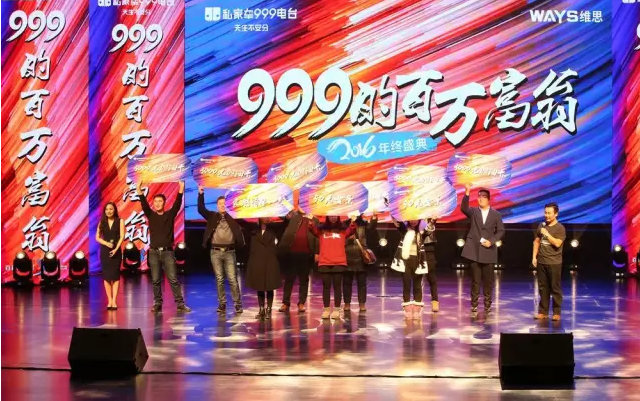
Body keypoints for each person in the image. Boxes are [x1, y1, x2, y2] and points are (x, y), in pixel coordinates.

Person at [137, 181, 191, 313]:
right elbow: (144, 204)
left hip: (168, 253)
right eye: (155, 201)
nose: (157, 204)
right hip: (154, 253)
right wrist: (138, 189)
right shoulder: (151, 215)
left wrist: (181, 188)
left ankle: (180, 304)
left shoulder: (169, 215)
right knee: (155, 280)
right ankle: (157, 303)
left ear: (164, 203)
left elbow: (177, 204)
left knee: (173, 279)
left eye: (160, 201)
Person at [198, 187, 245, 314]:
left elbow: (247, 219)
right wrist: (201, 194)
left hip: (230, 251)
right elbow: (201, 209)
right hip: (215, 252)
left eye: (224, 203)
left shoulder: (233, 216)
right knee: (219, 279)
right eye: (220, 204)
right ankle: (222, 304)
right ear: (217, 206)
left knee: (232, 279)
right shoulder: (212, 216)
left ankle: (237, 304)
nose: (222, 205)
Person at [460, 184, 505, 314]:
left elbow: (501, 231)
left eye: (483, 196)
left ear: (489, 199)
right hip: (474, 250)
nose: (481, 198)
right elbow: (463, 208)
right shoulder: (474, 212)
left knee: (488, 281)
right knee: (475, 280)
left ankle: (487, 305)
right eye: (479, 196)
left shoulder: (496, 214)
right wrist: (467, 192)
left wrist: (491, 241)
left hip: (488, 251)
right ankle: (474, 305)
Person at [308, 214, 357, 320]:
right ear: (327, 217)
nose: (333, 218)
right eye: (331, 216)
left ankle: (337, 309)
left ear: (338, 217)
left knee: (337, 287)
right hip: (325, 261)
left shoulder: (343, 230)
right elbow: (312, 230)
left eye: (335, 216)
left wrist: (353, 222)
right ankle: (326, 309)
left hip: (338, 262)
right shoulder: (321, 230)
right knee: (326, 287)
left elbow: (351, 230)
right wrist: (311, 221)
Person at [278, 207, 319, 313]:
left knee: (304, 280)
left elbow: (317, 236)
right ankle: (285, 303)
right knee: (289, 279)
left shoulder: (314, 219)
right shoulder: (293, 215)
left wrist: (317, 252)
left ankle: (301, 303)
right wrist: (287, 215)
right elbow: (282, 219)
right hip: (291, 253)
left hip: (306, 254)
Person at [391, 219, 432, 318]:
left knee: (417, 285)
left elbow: (429, 230)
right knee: (406, 284)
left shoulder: (421, 232)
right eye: (411, 220)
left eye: (415, 220)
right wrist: (394, 214)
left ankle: (417, 310)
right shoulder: (405, 230)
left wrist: (433, 220)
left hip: (418, 261)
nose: (413, 221)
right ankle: (407, 310)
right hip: (406, 261)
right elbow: (398, 223)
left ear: (419, 220)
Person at [532, 202, 566, 321]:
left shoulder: (560, 228)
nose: (546, 215)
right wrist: (534, 257)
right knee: (543, 288)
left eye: (549, 213)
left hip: (554, 262)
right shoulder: (541, 226)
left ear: (556, 214)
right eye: (545, 213)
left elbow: (557, 243)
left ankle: (556, 312)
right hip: (541, 261)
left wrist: (547, 234)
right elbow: (536, 241)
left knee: (555, 288)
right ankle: (543, 311)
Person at [245, 218, 282, 320]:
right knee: (259, 286)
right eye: (264, 217)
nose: (267, 218)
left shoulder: (273, 229)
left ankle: (269, 310)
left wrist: (288, 216)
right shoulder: (253, 229)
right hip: (257, 260)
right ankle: (261, 309)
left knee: (270, 286)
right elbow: (241, 222)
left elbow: (285, 224)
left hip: (270, 260)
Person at [343, 214, 377, 312]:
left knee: (362, 283)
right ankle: (347, 304)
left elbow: (371, 228)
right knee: (346, 283)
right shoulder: (344, 224)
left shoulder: (363, 224)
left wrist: (374, 218)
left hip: (361, 257)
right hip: (347, 256)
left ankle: (362, 304)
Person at [95, 202, 124, 310]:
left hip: (116, 251)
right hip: (105, 252)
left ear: (114, 210)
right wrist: (106, 243)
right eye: (107, 209)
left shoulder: (120, 221)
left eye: (111, 209)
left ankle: (114, 301)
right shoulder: (102, 222)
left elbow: (122, 236)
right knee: (107, 277)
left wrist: (116, 249)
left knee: (115, 277)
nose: (109, 211)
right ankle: (110, 300)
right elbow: (97, 237)